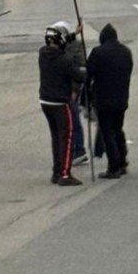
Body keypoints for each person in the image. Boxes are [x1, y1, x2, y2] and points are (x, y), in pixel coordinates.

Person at [39, 24, 86, 186]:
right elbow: (79, 77)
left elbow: (62, 43)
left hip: (45, 101)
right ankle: (65, 174)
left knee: (56, 137)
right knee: (66, 137)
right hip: (60, 102)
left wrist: (73, 34)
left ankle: (56, 171)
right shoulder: (64, 60)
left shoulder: (42, 54)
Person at [86, 24, 133, 179]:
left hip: (103, 99)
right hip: (121, 98)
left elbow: (88, 75)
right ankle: (123, 161)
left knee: (107, 133)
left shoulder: (98, 53)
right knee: (118, 129)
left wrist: (86, 95)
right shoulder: (126, 52)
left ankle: (114, 166)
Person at [53, 21, 88, 166]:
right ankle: (72, 149)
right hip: (62, 89)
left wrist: (74, 90)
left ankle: (78, 150)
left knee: (73, 120)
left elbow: (80, 69)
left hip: (71, 90)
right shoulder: (64, 45)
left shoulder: (74, 48)